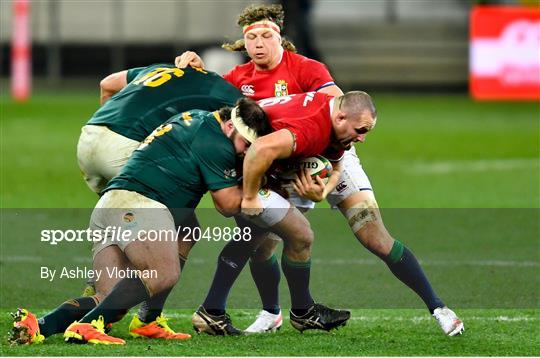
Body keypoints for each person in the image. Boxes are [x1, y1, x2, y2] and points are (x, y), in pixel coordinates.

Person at [176, 3, 464, 336]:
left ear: (279, 38)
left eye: (266, 35)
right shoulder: (236, 80)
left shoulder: (306, 69)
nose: (258, 43)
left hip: (326, 155)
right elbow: (215, 113)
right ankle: (271, 313)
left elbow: (343, 117)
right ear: (243, 42)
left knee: (372, 234)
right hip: (283, 163)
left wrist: (324, 183)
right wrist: (193, 72)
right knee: (261, 239)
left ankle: (438, 307)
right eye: (251, 37)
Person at [9, 100, 271, 345]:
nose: (247, 152)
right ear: (229, 126)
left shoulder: (197, 118)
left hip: (110, 205)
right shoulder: (215, 141)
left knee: (109, 295)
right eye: (246, 144)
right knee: (164, 273)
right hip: (138, 206)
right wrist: (260, 182)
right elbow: (226, 205)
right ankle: (87, 325)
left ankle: (38, 326)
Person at [191, 91, 370, 335]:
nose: (362, 138)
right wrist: (252, 196)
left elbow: (337, 162)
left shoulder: (332, 125)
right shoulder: (312, 127)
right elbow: (260, 149)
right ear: (340, 118)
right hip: (237, 161)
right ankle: (303, 312)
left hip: (246, 159)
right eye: (361, 130)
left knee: (252, 237)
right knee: (300, 235)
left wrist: (323, 190)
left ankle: (211, 311)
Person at [78, 64, 243, 194]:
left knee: (119, 219)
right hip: (126, 147)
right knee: (181, 227)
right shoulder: (225, 91)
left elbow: (107, 84)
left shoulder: (162, 68)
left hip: (89, 137)